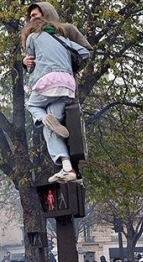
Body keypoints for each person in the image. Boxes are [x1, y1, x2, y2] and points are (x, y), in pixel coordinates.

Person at [22, 2, 92, 183]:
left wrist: (27, 63)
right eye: (30, 17)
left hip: (47, 82)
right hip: (67, 85)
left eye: (35, 15)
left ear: (46, 15)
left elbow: (31, 64)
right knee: (50, 130)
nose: (32, 19)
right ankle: (68, 169)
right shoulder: (63, 38)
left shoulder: (33, 36)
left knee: (32, 104)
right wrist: (68, 64)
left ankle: (44, 118)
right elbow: (85, 53)